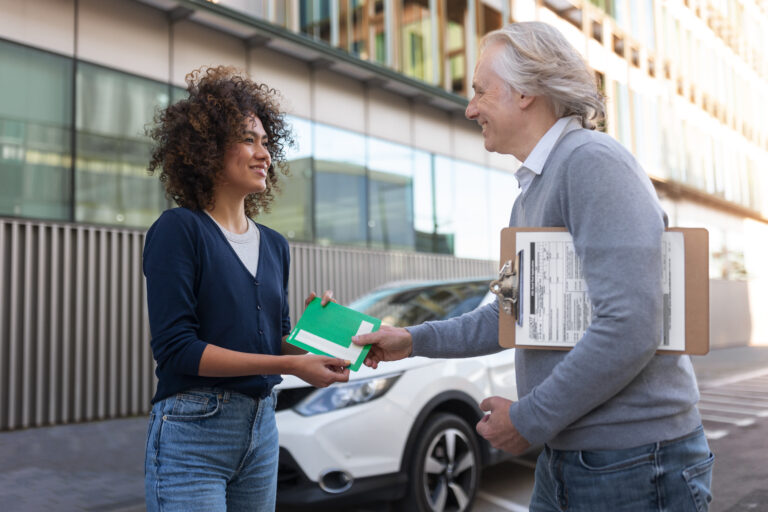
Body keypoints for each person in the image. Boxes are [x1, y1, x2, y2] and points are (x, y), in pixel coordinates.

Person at [354, 22, 714, 511]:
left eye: (481, 90)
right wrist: (413, 340)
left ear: (525, 91)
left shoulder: (592, 163)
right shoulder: (531, 193)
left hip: (633, 462)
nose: (470, 107)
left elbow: (632, 324)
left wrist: (527, 420)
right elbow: (511, 315)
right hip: (570, 457)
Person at [142, 66, 350, 511]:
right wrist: (289, 366)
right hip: (193, 433)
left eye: (266, 142)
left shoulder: (274, 245)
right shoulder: (180, 230)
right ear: (209, 148)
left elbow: (272, 339)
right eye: (249, 139)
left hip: (261, 432)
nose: (265, 154)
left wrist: (319, 330)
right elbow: (177, 349)